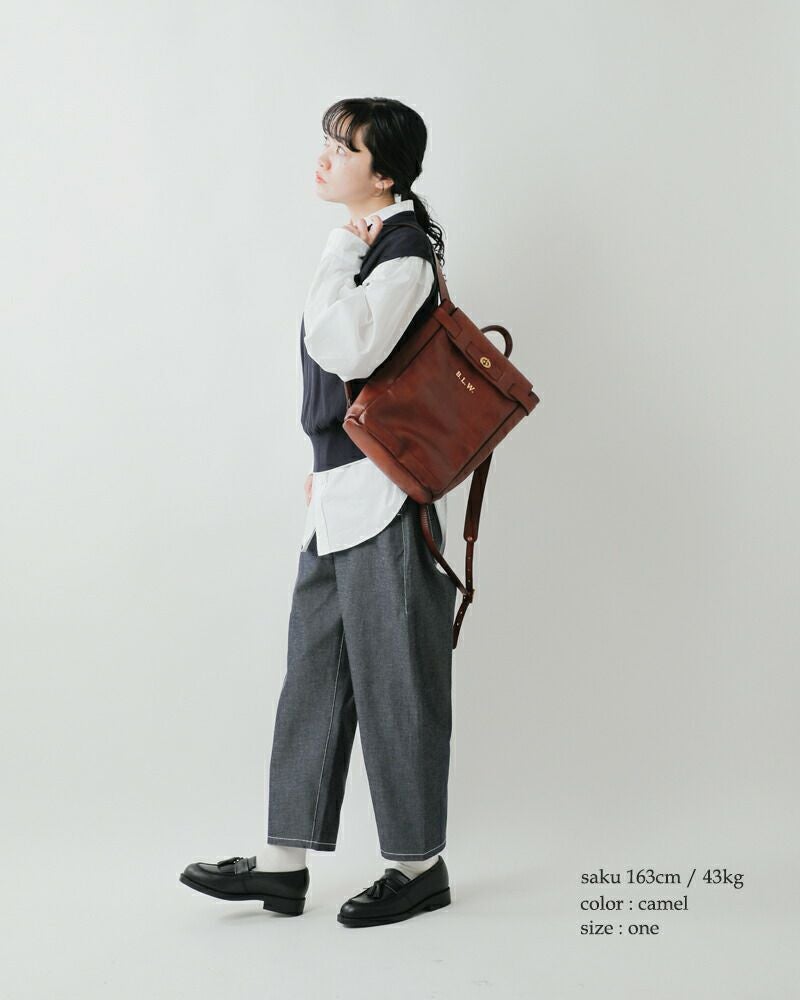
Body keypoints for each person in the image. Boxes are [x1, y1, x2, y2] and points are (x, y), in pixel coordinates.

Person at [180, 97, 457, 927]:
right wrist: (327, 466)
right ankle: (282, 865)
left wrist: (340, 250)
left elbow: (343, 346)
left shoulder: (400, 252)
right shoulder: (375, 246)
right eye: (328, 142)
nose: (326, 157)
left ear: (386, 173)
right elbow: (349, 381)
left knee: (397, 685)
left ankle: (418, 866)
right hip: (343, 493)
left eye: (346, 147)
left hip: (385, 501)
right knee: (313, 675)